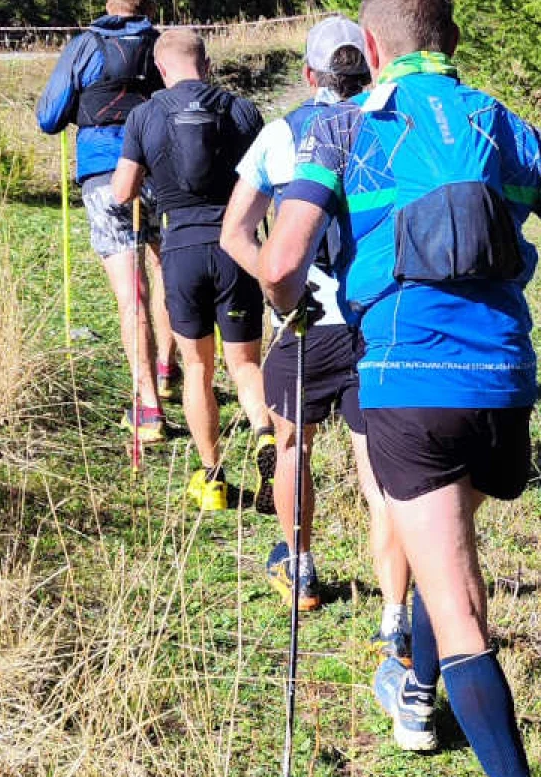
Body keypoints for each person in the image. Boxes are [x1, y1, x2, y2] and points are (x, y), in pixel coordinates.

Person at [256, 0, 541, 777]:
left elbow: (279, 262)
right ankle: (417, 694)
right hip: (503, 384)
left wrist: (295, 308)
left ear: (372, 47)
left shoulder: (342, 129)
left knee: (459, 607)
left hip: (406, 382)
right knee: (442, 562)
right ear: (451, 41)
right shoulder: (508, 126)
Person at [222, 16, 411, 620]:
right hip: (380, 319)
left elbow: (235, 233)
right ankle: (395, 617)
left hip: (308, 319)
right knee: (378, 473)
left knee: (292, 446)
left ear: (310, 75)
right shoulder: (396, 129)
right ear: (372, 64)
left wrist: (284, 290)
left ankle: (299, 565)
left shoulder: (284, 133)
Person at [112, 30, 267, 511]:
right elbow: (270, 180)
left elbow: (121, 192)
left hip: (181, 249)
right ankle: (266, 437)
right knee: (245, 365)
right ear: (207, 62)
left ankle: (213, 477)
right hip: (237, 249)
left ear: (160, 69)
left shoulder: (144, 115)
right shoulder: (243, 112)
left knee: (197, 367)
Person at [36, 0, 181, 444]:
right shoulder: (162, 45)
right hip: (161, 168)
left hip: (105, 174)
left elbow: (48, 117)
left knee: (129, 290)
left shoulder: (85, 46)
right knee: (164, 270)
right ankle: (168, 371)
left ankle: (148, 407)